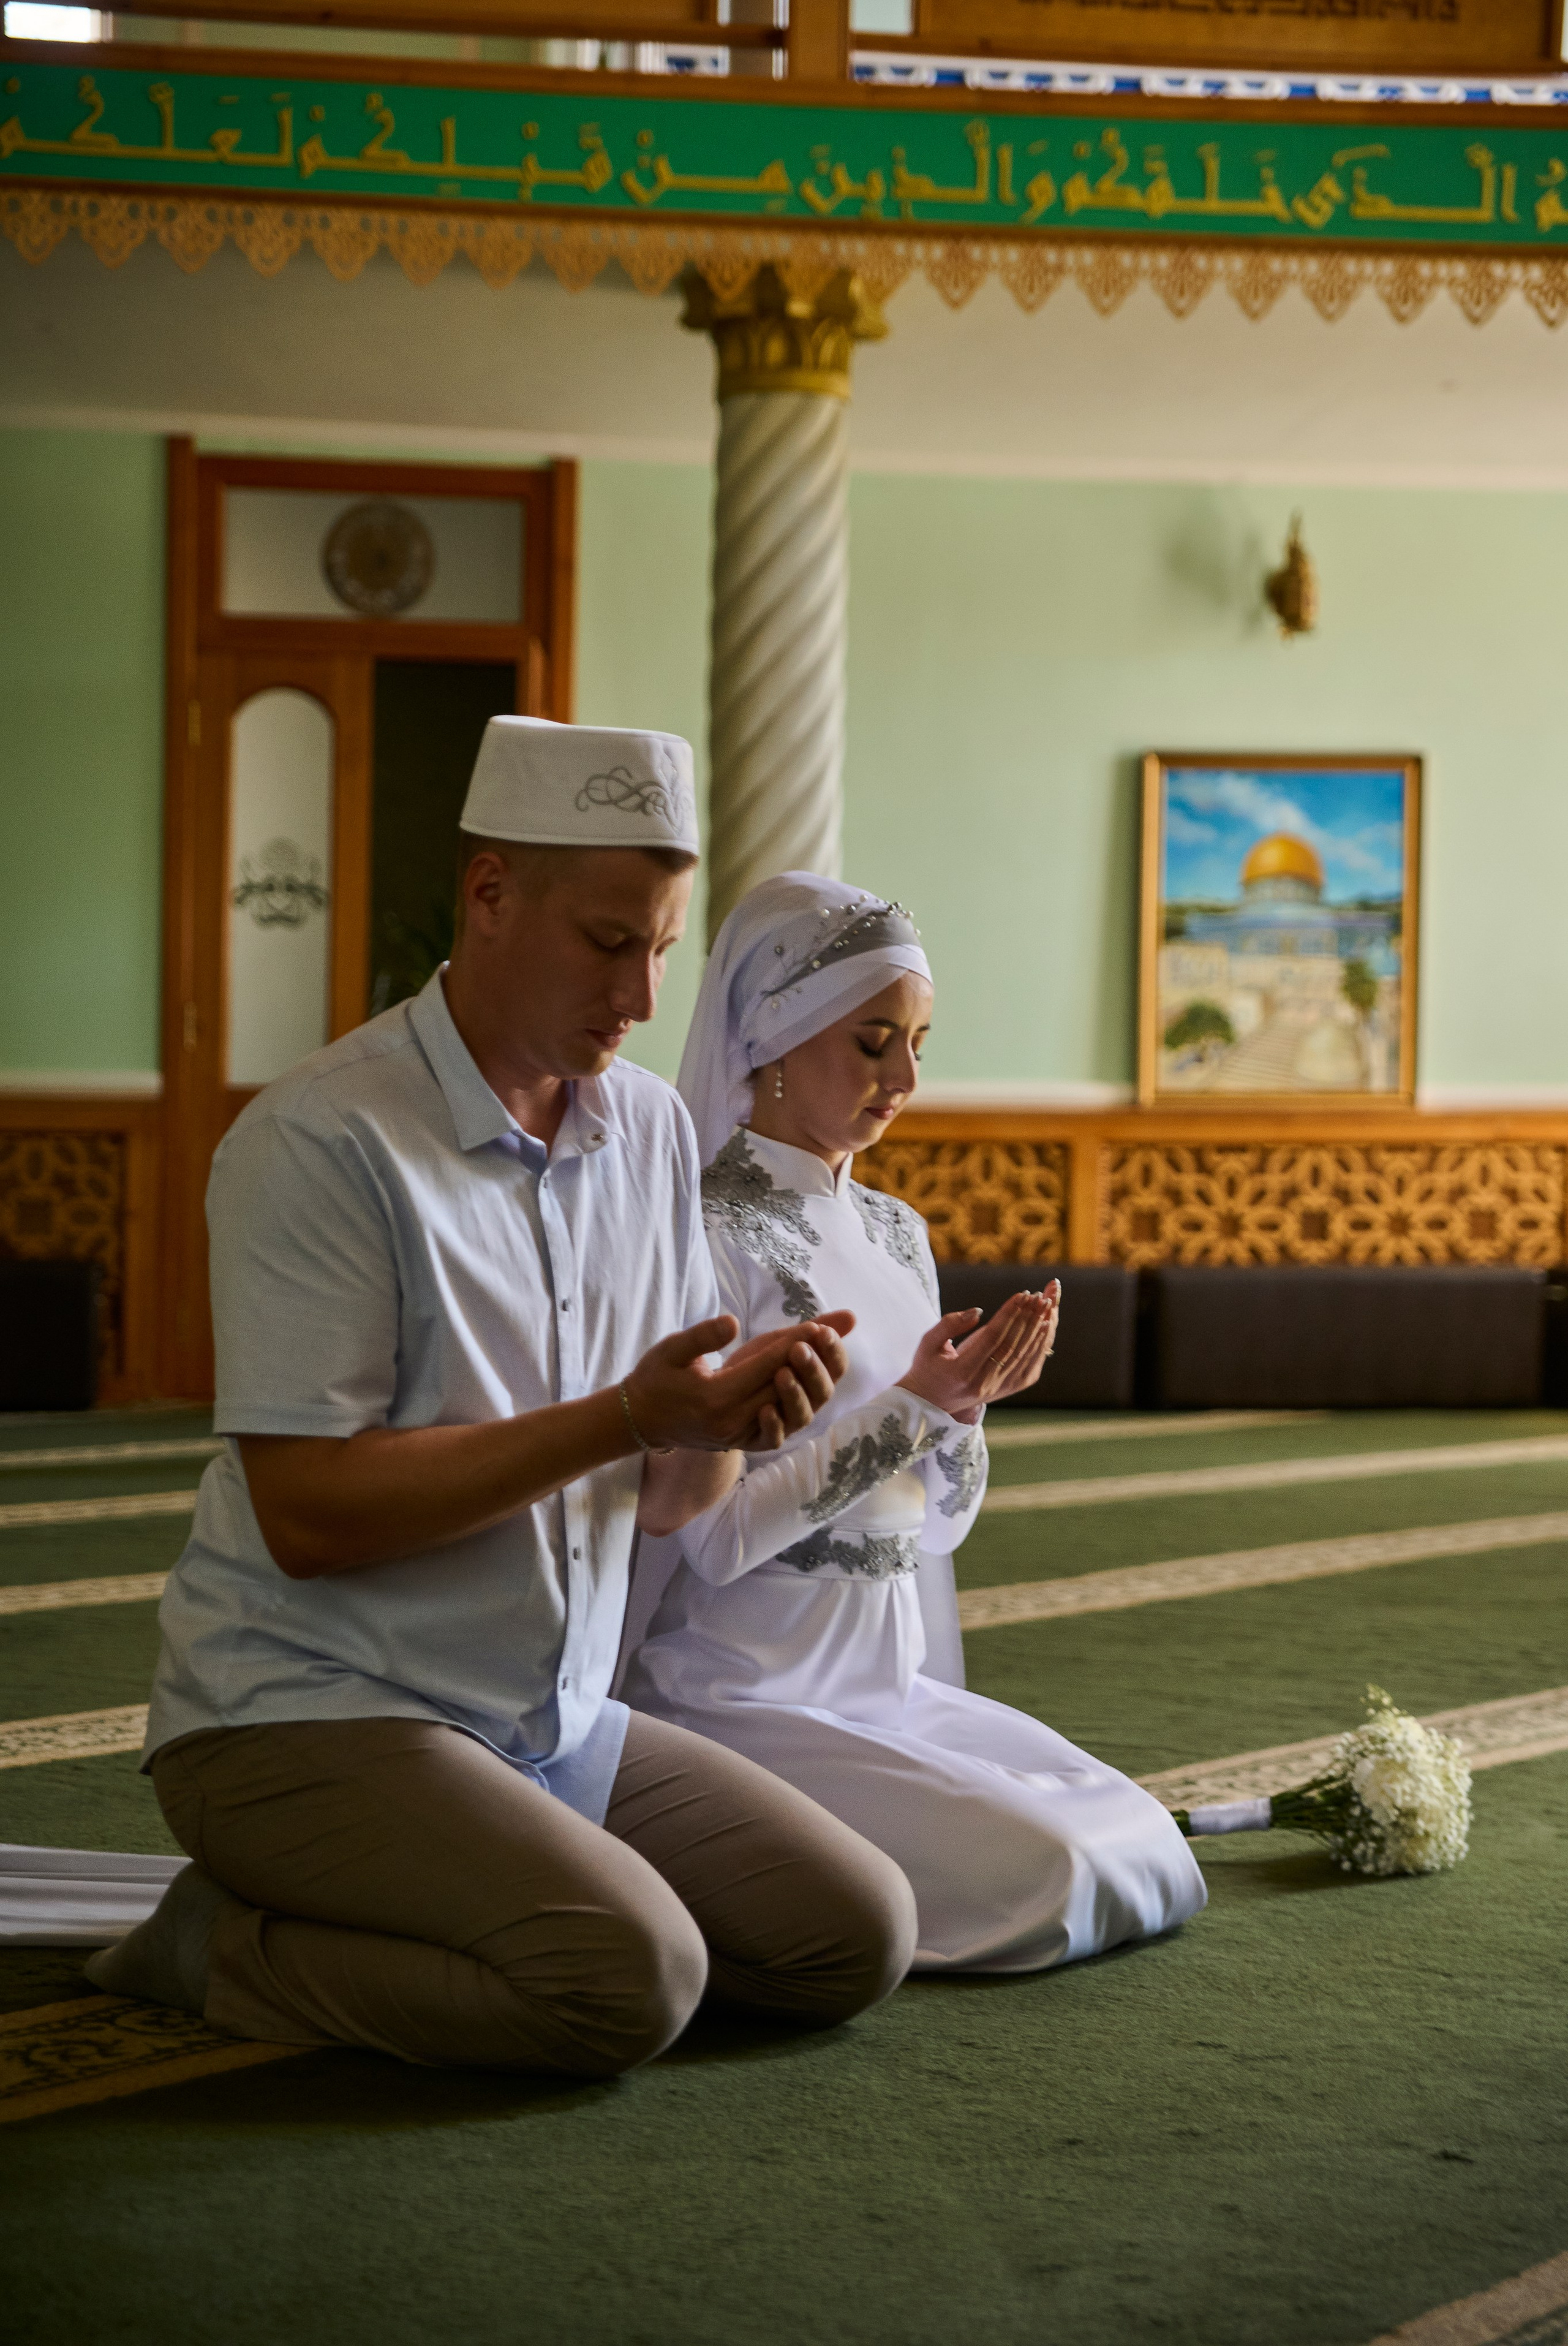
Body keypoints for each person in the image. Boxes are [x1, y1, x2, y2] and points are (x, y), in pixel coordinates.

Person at [87, 722, 918, 2077]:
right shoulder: (324, 1137)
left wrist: (720, 1426)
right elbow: (305, 1515)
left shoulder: (645, 1129)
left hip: (547, 1713)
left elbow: (664, 1502)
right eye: (607, 942)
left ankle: (471, 1888)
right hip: (309, 1711)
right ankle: (215, 1944)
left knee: (854, 1932)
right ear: (488, 896)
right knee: (624, 1980)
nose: (643, 995)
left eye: (661, 947)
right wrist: (633, 1417)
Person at [619, 873, 1208, 1973]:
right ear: (777, 1039)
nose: (906, 1079)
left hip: (884, 1680)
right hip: (746, 1688)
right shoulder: (705, 1231)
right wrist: (915, 1411)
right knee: (1061, 1873)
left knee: (1143, 1848)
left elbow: (933, 1530)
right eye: (875, 1042)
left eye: (920, 1043)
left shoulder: (897, 1232)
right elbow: (708, 1535)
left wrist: (964, 1413)